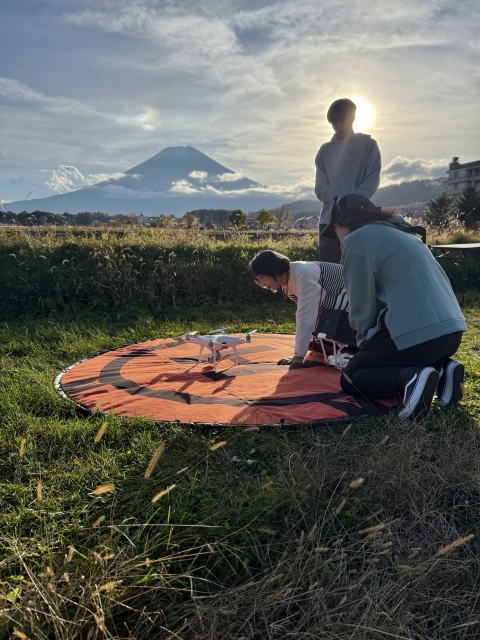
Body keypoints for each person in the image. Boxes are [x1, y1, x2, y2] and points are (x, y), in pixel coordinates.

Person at [324, 193, 466, 419]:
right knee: (401, 353)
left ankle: (411, 379)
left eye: (334, 232)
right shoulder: (405, 234)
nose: (337, 238)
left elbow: (361, 306)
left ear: (341, 223)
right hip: (451, 334)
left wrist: (364, 348)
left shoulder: (356, 241)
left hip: (418, 338)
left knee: (353, 375)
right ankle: (443, 370)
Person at [249, 250, 348, 367]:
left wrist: (299, 355)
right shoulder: (289, 278)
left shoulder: (303, 274)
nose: (262, 284)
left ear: (272, 270)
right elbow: (310, 311)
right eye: (258, 281)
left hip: (356, 304)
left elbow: (306, 315)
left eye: (261, 278)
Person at [315, 98, 381, 264]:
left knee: (358, 270)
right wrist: (335, 200)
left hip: (358, 219)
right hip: (329, 221)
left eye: (341, 120)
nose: (338, 126)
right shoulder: (325, 150)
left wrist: (351, 203)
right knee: (329, 272)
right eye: (334, 123)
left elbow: (371, 180)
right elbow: (320, 187)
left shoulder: (369, 146)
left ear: (352, 118)